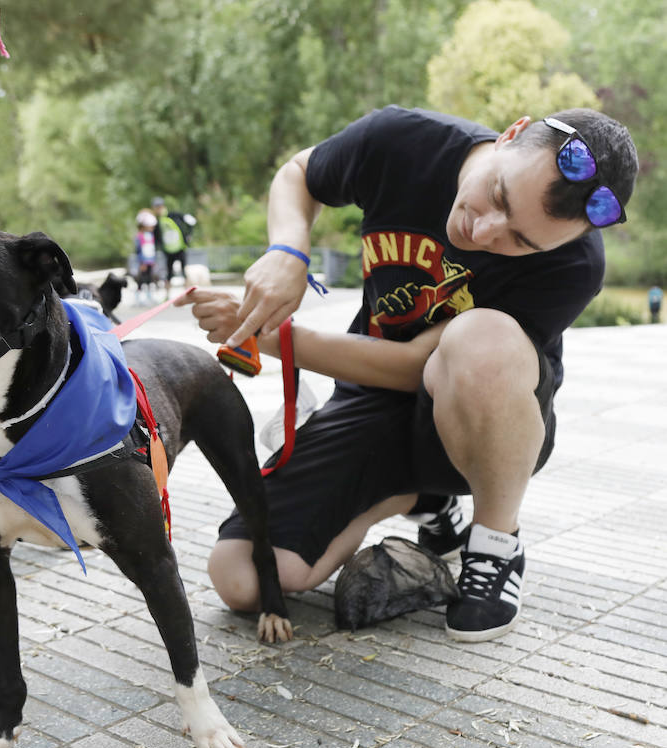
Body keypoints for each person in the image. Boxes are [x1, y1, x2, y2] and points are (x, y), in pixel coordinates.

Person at [178, 105, 638, 642]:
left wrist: (276, 338)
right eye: (498, 196)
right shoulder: (404, 141)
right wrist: (287, 250)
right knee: (239, 577)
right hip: (370, 404)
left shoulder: (575, 265)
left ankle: (495, 544)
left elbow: (417, 364)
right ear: (510, 135)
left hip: (480, 424)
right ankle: (417, 499)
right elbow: (300, 174)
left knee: (478, 339)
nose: (484, 230)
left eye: (520, 241)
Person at [152, 196, 197, 297]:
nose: (158, 209)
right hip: (168, 251)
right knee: (168, 274)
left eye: (159, 206)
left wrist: (189, 235)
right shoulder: (157, 222)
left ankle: (188, 295)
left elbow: (191, 221)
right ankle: (167, 296)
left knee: (184, 271)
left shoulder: (174, 215)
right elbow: (156, 238)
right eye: (156, 207)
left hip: (180, 248)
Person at [133, 208, 159, 305]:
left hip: (150, 261)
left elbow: (151, 249)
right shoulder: (139, 236)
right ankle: (138, 298)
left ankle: (149, 296)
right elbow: (138, 250)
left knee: (149, 279)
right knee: (141, 280)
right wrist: (142, 262)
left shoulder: (151, 235)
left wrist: (153, 261)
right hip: (143, 262)